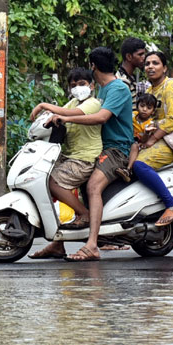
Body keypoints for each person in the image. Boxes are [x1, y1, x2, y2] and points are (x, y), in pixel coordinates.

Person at [41, 47, 135, 262]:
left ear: (93, 66)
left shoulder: (117, 88)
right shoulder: (101, 90)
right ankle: (58, 243)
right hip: (100, 148)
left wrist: (66, 119)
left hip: (116, 150)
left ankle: (92, 244)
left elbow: (101, 117)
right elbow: (72, 111)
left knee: (92, 187)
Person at [26, 69, 102, 258]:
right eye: (74, 85)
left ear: (92, 86)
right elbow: (60, 112)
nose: (78, 88)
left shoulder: (93, 103)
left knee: (51, 182)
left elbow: (69, 113)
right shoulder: (73, 101)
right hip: (69, 156)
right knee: (40, 178)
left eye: (82, 84)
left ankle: (84, 213)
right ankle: (57, 244)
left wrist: (44, 105)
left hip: (85, 158)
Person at [129, 50, 173, 228]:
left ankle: (172, 205)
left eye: (155, 63)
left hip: (168, 142)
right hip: (154, 139)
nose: (150, 67)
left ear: (165, 67)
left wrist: (152, 139)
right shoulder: (149, 90)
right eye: (147, 64)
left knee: (138, 165)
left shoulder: (171, 86)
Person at [127, 92, 159, 173]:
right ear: (137, 106)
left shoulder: (150, 123)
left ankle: (128, 169)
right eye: (142, 106)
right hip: (127, 139)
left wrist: (147, 132)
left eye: (149, 108)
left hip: (139, 144)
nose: (144, 109)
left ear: (153, 111)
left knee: (135, 146)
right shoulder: (132, 115)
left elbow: (144, 140)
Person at [117, 36, 149, 105]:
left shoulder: (129, 77)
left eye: (144, 54)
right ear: (129, 57)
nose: (144, 57)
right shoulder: (123, 81)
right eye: (140, 54)